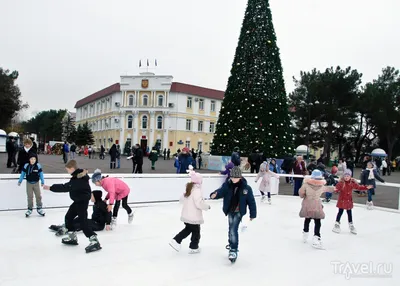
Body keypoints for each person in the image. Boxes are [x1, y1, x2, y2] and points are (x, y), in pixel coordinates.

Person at [43, 160, 101, 253]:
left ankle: (94, 241)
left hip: (82, 202)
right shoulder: (78, 176)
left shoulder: (79, 179)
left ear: (72, 168)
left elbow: (66, 187)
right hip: (78, 201)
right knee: (68, 217)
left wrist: (50, 187)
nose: (67, 172)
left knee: (83, 222)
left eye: (67, 170)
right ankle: (72, 237)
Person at [209, 166, 257, 263]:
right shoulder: (227, 185)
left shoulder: (246, 188)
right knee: (231, 228)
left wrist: (253, 214)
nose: (233, 179)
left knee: (233, 229)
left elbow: (251, 201)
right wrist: (215, 194)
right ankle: (231, 244)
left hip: (239, 211)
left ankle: (234, 249)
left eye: (235, 177)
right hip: (230, 210)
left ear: (240, 177)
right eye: (232, 177)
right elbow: (221, 191)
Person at [169, 166, 210, 254]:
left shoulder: (189, 189)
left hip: (187, 215)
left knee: (189, 229)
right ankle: (188, 245)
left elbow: (181, 199)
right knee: (196, 233)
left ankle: (182, 242)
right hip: (193, 216)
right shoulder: (197, 191)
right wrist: (206, 207)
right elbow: (199, 203)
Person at [299, 170, 334, 249]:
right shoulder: (322, 186)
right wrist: (336, 187)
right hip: (317, 205)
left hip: (308, 204)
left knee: (307, 219)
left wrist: (304, 195)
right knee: (317, 221)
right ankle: (316, 236)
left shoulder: (306, 185)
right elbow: (329, 189)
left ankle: (305, 233)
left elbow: (301, 194)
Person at [332, 169, 373, 235]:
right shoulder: (341, 183)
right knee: (340, 212)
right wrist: (334, 190)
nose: (346, 177)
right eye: (345, 176)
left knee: (349, 213)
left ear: (350, 176)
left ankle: (351, 225)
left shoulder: (352, 183)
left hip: (348, 201)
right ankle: (337, 223)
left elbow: (359, 187)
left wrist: (366, 187)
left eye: (348, 176)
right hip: (342, 200)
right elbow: (336, 188)